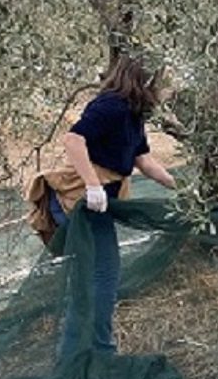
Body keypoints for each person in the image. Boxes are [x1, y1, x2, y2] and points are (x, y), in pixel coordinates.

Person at [31, 53, 177, 359]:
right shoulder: (110, 105)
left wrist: (183, 188)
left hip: (98, 204)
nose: (163, 89)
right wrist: (93, 185)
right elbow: (73, 140)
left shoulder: (132, 114)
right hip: (79, 202)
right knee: (102, 276)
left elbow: (143, 160)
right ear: (144, 79)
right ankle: (94, 353)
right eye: (160, 81)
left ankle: (83, 351)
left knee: (95, 278)